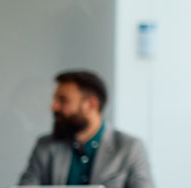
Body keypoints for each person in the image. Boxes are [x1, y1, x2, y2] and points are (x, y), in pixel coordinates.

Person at [19, 71, 154, 188]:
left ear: (90, 105)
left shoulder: (129, 147)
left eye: (63, 100)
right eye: (55, 99)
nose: (54, 107)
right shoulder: (45, 146)